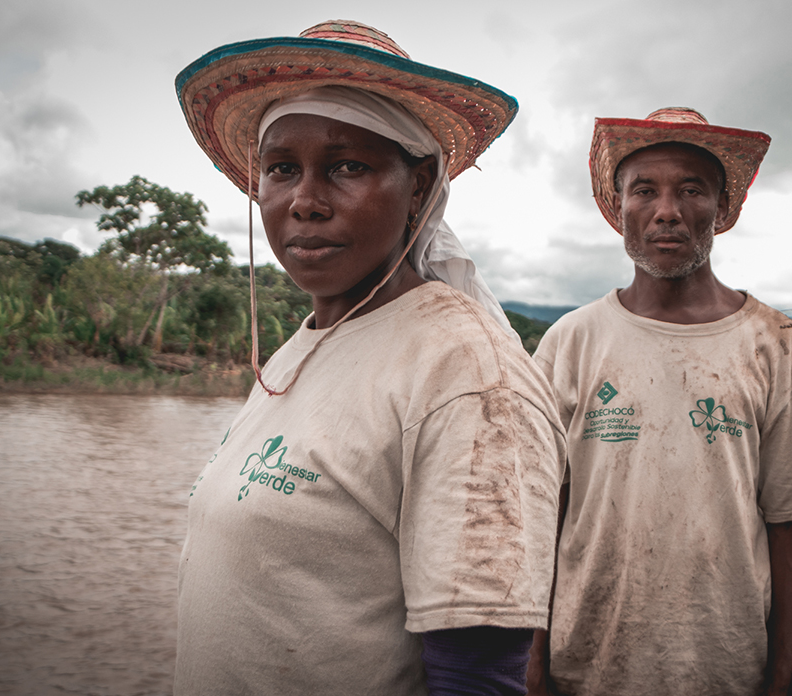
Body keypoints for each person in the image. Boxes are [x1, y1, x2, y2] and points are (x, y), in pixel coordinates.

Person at [172, 21, 566, 695]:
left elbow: (478, 674)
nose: (305, 201)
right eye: (281, 168)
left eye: (348, 166)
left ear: (418, 188)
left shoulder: (467, 376)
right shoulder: (311, 341)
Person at [527, 108, 792, 695]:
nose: (667, 210)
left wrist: (782, 682)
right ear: (618, 208)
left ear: (720, 211)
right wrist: (532, 664)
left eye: (691, 189)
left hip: (722, 670)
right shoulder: (571, 342)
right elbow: (539, 517)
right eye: (644, 190)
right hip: (584, 668)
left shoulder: (774, 343)